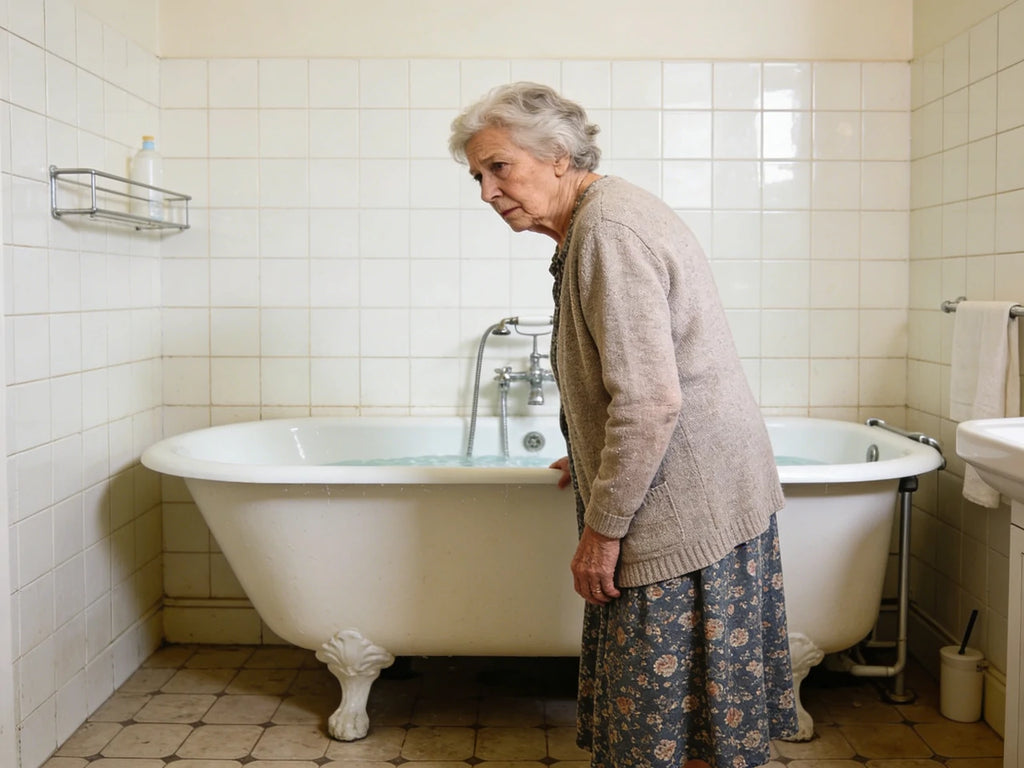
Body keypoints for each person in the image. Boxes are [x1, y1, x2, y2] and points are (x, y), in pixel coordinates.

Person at [449, 82, 798, 768]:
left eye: (499, 167)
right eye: (477, 176)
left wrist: (601, 533)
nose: (488, 192)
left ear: (556, 155)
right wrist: (587, 457)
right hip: (711, 493)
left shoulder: (607, 231)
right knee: (696, 719)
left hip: (687, 513)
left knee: (674, 725)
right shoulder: (604, 216)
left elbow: (648, 401)